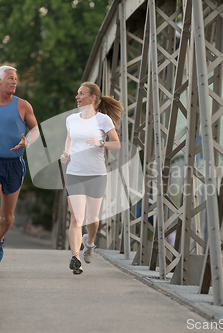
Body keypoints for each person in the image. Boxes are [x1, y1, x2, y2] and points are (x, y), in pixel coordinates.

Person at [0, 65, 39, 275]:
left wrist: (27, 142)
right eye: (10, 78)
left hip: (14, 164)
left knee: (6, 217)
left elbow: (36, 131)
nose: (14, 81)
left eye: (15, 78)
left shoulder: (23, 106)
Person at [61, 82, 122, 274]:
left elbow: (117, 145)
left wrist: (101, 143)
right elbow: (70, 137)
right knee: (76, 218)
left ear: (92, 97)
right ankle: (75, 257)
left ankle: (89, 244)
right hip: (74, 173)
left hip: (96, 174)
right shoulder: (71, 119)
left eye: (81, 94)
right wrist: (66, 152)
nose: (77, 97)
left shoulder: (103, 120)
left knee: (92, 219)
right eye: (77, 93)